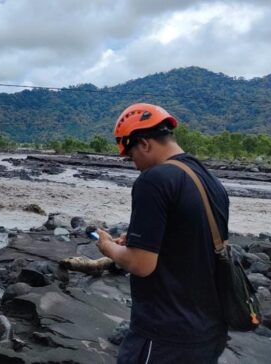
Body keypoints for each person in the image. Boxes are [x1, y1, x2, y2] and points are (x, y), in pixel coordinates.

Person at [96, 103, 228, 363]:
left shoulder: (154, 179)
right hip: (209, 330)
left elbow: (140, 264)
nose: (134, 165)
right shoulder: (209, 180)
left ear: (144, 143)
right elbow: (190, 240)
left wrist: (108, 248)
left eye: (131, 155)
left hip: (165, 335)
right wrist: (136, 241)